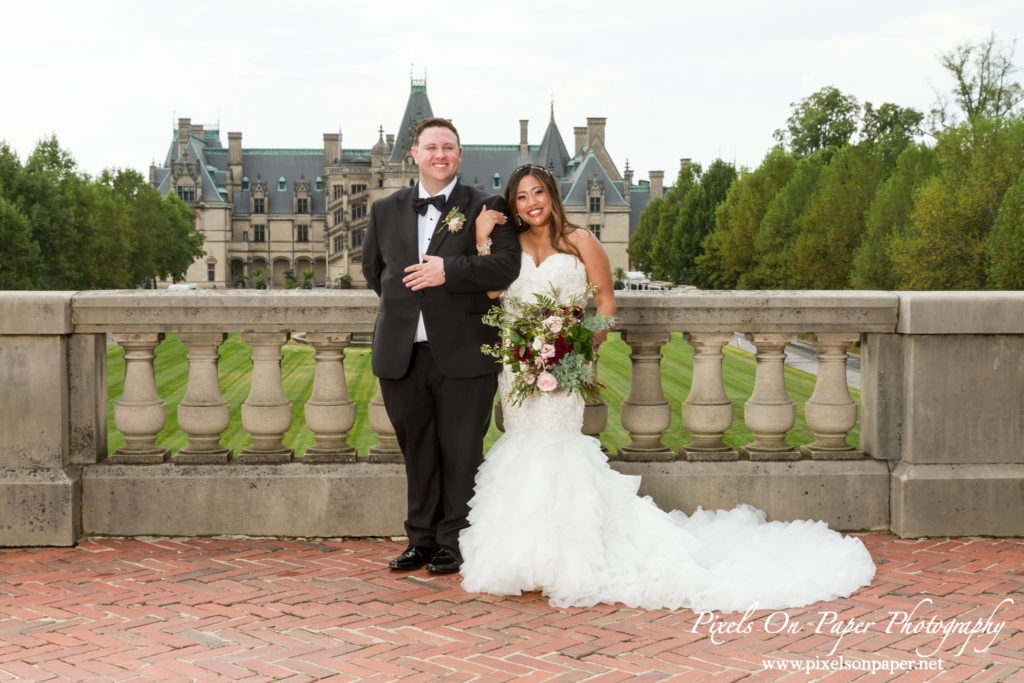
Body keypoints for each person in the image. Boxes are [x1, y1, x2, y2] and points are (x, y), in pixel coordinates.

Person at [458, 164, 876, 611]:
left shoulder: (580, 241)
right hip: (518, 365)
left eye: (538, 192)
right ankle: (526, 558)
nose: (531, 203)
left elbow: (605, 303)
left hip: (565, 369)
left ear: (553, 195)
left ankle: (570, 559)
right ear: (513, 204)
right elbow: (491, 295)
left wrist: (578, 349)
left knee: (559, 455)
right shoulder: (509, 245)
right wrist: (483, 237)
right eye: (521, 196)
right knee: (523, 450)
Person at [362, 117, 521, 575]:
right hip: (403, 351)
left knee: (461, 451)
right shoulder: (385, 209)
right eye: (430, 147)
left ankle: (455, 541)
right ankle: (421, 540)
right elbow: (376, 272)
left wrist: (446, 273)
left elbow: (505, 268)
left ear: (459, 155)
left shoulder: (486, 205)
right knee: (418, 451)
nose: (439, 155)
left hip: (465, 351)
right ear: (414, 154)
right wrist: (411, 312)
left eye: (448, 147)